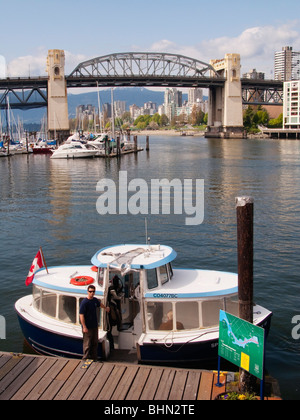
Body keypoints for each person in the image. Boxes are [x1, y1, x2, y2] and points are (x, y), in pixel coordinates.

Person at [79, 285, 110, 361]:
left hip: (94, 325)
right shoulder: (84, 303)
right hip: (87, 327)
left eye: (93, 292)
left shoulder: (95, 300)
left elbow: (99, 304)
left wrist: (106, 308)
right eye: (90, 291)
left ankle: (94, 358)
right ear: (87, 292)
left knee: (95, 342)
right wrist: (84, 326)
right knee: (87, 343)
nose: (92, 293)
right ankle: (85, 358)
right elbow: (81, 315)